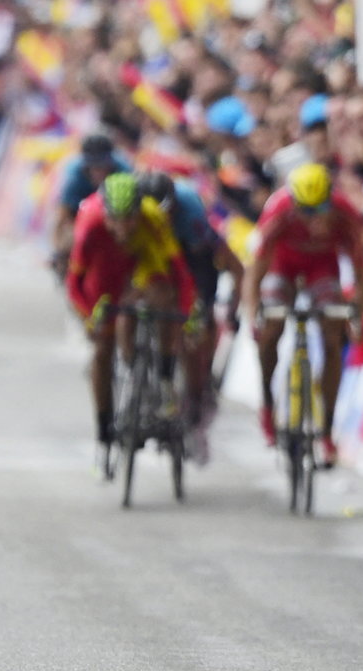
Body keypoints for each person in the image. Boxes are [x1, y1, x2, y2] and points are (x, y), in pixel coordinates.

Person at [242, 163, 363, 468]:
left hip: (322, 271)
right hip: (281, 266)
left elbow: (359, 271)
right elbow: (256, 269)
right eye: (305, 212)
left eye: (320, 210)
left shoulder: (345, 213)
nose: (313, 219)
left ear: (330, 198)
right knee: (270, 328)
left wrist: (357, 316)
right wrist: (251, 312)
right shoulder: (279, 210)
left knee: (333, 336)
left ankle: (325, 431)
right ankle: (268, 405)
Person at [65, 172, 196, 460]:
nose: (123, 228)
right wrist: (90, 319)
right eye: (117, 220)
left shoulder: (153, 217)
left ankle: (162, 373)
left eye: (130, 219)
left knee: (163, 296)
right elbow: (74, 283)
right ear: (106, 214)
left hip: (144, 261)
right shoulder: (90, 223)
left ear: (140, 211)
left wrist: (185, 315)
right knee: (101, 349)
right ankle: (103, 430)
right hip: (106, 268)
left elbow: (180, 274)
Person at [138, 171, 244, 462]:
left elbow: (234, 266)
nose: (163, 217)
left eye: (166, 212)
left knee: (193, 329)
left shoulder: (191, 215)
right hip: (154, 252)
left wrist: (231, 310)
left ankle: (196, 403)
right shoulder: (137, 213)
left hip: (192, 258)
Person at [50, 133, 133, 278]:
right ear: (85, 164)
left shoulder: (124, 171)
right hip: (80, 212)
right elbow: (61, 218)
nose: (98, 172)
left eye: (102, 165)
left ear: (111, 161)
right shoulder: (73, 176)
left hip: (112, 214)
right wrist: (59, 251)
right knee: (69, 239)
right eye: (93, 166)